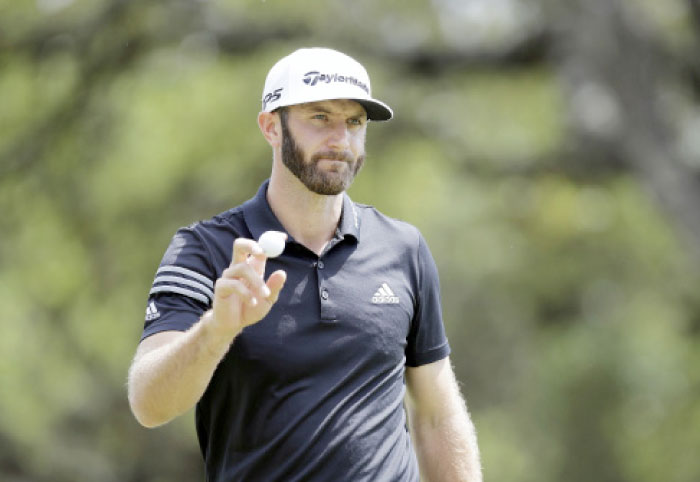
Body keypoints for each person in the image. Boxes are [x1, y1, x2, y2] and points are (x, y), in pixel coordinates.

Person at [127, 47, 482, 482]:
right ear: (271, 127)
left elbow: (435, 415)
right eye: (320, 118)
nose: (341, 140)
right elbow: (148, 403)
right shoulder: (204, 249)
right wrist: (217, 330)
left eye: (354, 122)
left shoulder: (403, 248)